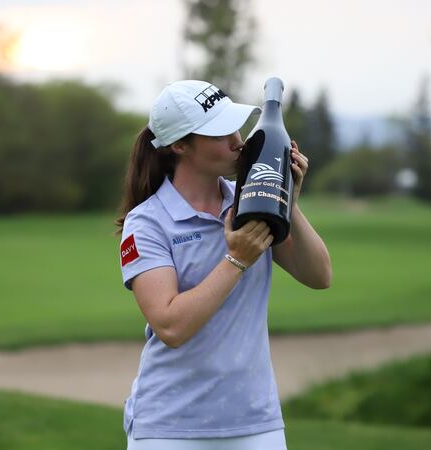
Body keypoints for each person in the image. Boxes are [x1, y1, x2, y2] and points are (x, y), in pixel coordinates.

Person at [114, 79, 332, 450]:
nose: (237, 140)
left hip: (255, 421)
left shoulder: (252, 202)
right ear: (180, 145)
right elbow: (171, 326)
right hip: (170, 428)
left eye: (235, 126)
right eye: (219, 133)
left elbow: (319, 276)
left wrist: (288, 201)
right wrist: (236, 260)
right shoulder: (147, 223)